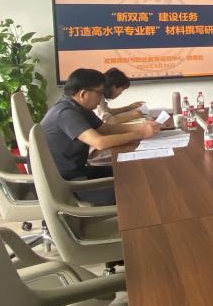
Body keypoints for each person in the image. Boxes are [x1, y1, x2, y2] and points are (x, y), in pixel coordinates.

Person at [40, 68, 159, 205]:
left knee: (133, 171)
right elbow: (99, 142)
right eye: (100, 93)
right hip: (66, 182)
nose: (101, 98)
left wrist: (141, 126)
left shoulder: (79, 108)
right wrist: (141, 134)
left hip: (79, 171)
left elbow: (106, 129)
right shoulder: (66, 113)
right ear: (83, 94)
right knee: (136, 190)